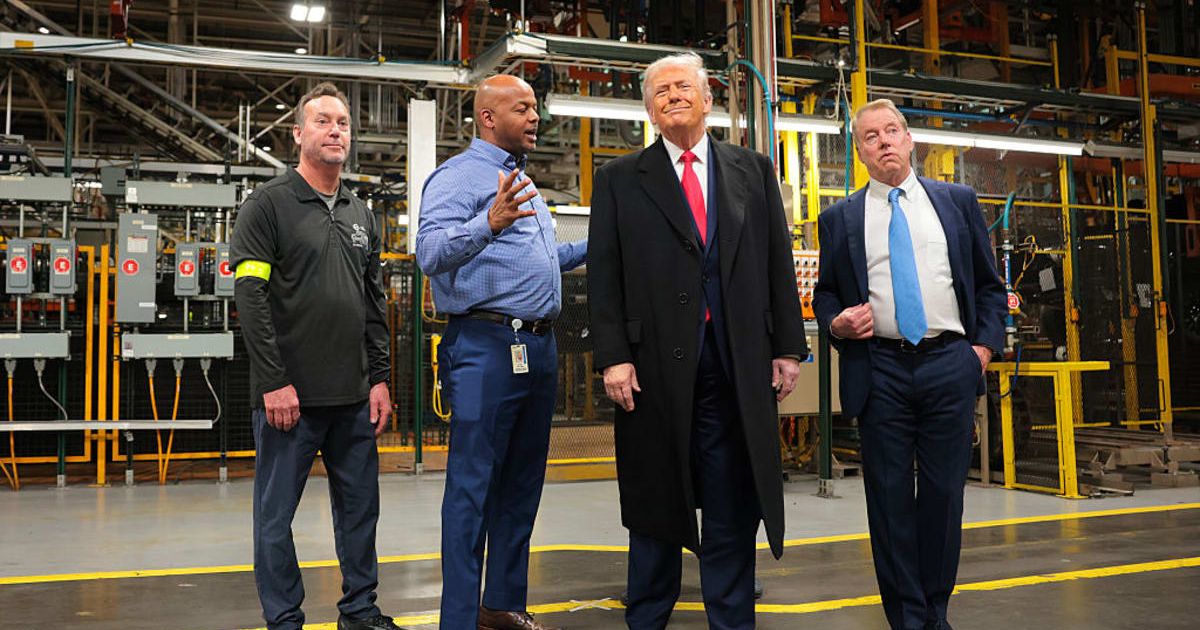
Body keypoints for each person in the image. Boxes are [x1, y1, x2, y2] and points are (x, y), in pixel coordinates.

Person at [587, 52, 808, 629]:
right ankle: (649, 618)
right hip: (653, 370)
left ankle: (731, 620)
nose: (673, 96)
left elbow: (776, 264)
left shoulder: (753, 170)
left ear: (709, 98)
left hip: (737, 366)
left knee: (734, 504)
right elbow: (605, 279)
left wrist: (787, 346)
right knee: (657, 503)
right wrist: (613, 357)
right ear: (648, 109)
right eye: (660, 91)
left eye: (684, 86)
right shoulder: (618, 180)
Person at [812, 99, 1006, 630]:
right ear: (859, 152)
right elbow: (825, 295)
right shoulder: (841, 218)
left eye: (892, 130)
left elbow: (989, 288)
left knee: (944, 496)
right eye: (871, 137)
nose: (884, 142)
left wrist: (980, 353)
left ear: (910, 138)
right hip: (881, 370)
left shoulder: (957, 202)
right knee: (890, 498)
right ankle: (906, 617)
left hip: (949, 361)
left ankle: (935, 610)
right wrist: (836, 325)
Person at [416, 74, 587, 630]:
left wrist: (603, 240)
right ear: (488, 118)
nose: (535, 117)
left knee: (521, 483)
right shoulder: (458, 178)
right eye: (523, 108)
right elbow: (431, 252)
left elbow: (543, 262)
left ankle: (501, 603)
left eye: (536, 107)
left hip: (537, 346)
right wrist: (487, 222)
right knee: (472, 487)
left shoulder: (522, 182)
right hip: (486, 345)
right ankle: (459, 618)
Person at [232, 82, 405, 630]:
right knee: (275, 518)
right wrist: (272, 382)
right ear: (299, 133)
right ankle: (284, 619)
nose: (336, 131)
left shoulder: (360, 214)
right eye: (324, 121)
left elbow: (374, 303)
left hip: (353, 398)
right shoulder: (268, 207)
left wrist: (379, 378)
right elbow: (251, 299)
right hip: (291, 400)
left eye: (344, 123)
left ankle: (360, 610)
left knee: (359, 512)